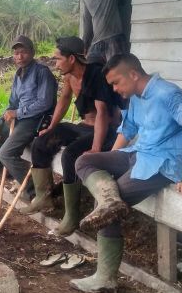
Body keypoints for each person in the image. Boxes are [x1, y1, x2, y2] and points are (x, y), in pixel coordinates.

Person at [70, 53, 182, 293]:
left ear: (134, 74)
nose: (115, 89)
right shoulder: (136, 96)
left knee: (109, 208)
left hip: (163, 163)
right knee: (84, 161)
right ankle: (108, 200)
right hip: (137, 153)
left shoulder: (167, 94)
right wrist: (109, 161)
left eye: (116, 83)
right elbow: (127, 128)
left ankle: (105, 277)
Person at [23, 37, 123, 236]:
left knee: (70, 155)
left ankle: (72, 215)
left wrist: (96, 148)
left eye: (58, 59)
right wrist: (51, 127)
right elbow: (65, 99)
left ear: (71, 59)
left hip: (105, 131)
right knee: (41, 142)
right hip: (84, 126)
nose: (55, 63)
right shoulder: (69, 76)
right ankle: (43, 196)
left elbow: (102, 113)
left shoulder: (96, 74)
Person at [0, 35, 57, 199]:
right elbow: (13, 103)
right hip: (20, 117)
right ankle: (17, 177)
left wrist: (17, 113)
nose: (19, 56)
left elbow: (44, 103)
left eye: (23, 52)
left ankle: (35, 192)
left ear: (32, 53)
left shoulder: (42, 73)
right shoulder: (18, 75)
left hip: (36, 119)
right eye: (16, 53)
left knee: (5, 153)